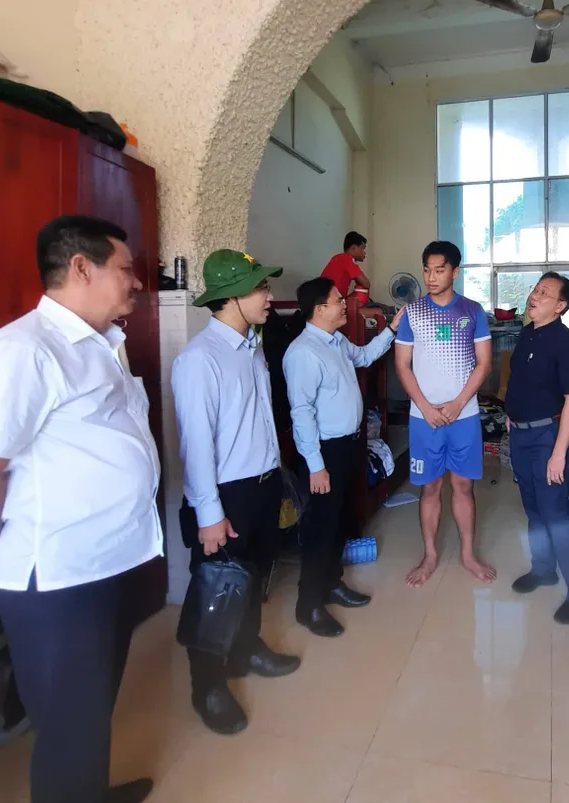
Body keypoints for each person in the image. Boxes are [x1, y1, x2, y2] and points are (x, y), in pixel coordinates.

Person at [0, 215, 161, 803]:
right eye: (126, 269)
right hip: (58, 578)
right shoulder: (22, 353)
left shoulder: (98, 346)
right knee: (68, 728)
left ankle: (90, 793)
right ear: (81, 268)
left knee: (90, 711)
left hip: (104, 563)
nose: (136, 281)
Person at [172, 250, 301, 737]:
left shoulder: (252, 347)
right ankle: (207, 686)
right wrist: (209, 513)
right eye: (260, 288)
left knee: (253, 579)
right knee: (215, 592)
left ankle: (246, 651)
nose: (269, 296)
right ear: (229, 296)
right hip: (225, 495)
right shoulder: (199, 359)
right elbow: (196, 444)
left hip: (262, 487)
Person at [282, 277, 405, 637]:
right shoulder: (303, 353)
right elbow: (301, 413)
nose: (344, 304)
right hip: (325, 452)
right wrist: (316, 466)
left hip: (349, 445)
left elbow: (364, 356)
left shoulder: (335, 341)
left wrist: (391, 330)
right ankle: (308, 605)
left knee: (338, 521)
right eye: (338, 300)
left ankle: (331, 584)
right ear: (320, 309)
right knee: (320, 529)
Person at [395, 240, 495, 587]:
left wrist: (457, 403)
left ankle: (467, 554)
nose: (431, 277)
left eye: (439, 270)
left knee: (463, 486)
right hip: (424, 418)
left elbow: (484, 363)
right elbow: (402, 365)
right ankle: (430, 555)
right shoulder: (412, 313)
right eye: (427, 270)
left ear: (455, 272)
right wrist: (425, 407)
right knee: (430, 487)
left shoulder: (473, 311)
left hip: (463, 415)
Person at [505, 272, 569, 625]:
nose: (535, 295)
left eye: (545, 293)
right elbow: (523, 381)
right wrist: (511, 415)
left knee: (556, 513)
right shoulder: (527, 333)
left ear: (560, 306)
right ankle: (543, 569)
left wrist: (559, 453)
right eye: (536, 289)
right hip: (521, 434)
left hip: (548, 437)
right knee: (533, 508)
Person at [321, 231, 371, 298]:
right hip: (329, 300)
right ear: (353, 248)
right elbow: (366, 284)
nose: (364, 253)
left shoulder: (338, 257)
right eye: (363, 248)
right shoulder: (347, 259)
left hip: (323, 298)